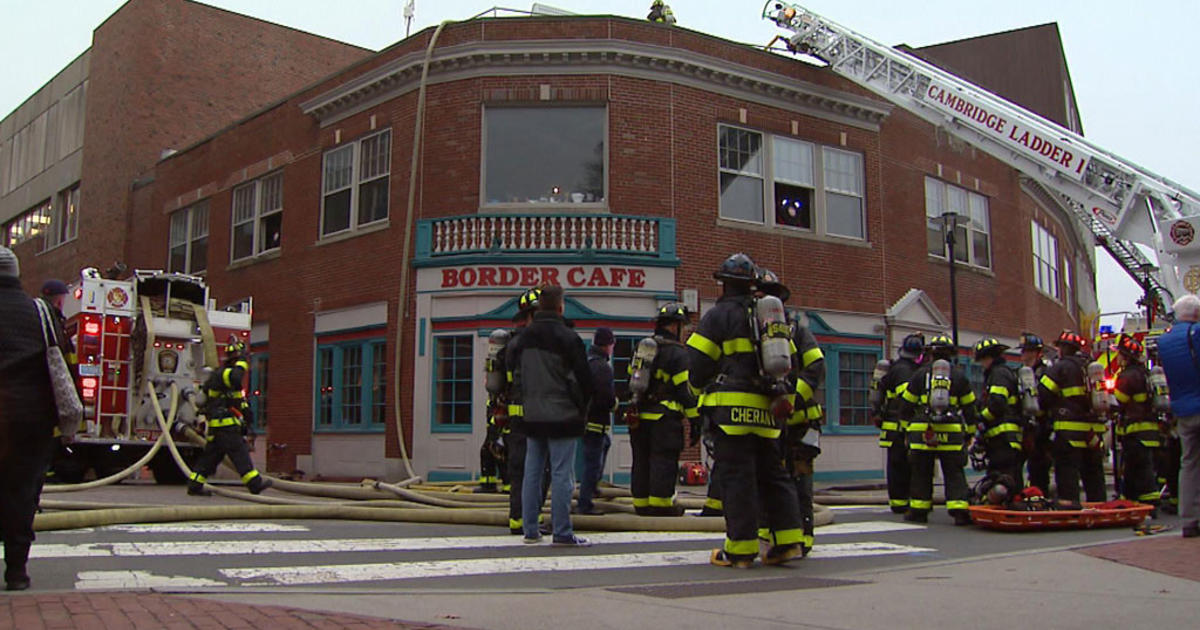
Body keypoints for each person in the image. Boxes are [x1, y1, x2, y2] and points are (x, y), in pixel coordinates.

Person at [688, 253, 804, 568]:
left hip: (731, 414)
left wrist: (696, 394)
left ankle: (739, 549)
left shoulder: (717, 316)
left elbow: (697, 366)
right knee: (774, 475)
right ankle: (788, 541)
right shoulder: (769, 317)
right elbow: (792, 363)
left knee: (738, 478)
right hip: (767, 412)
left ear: (724, 283)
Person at [507, 285, 594, 546]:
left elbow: (515, 375)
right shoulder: (567, 337)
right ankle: (562, 531)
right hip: (563, 416)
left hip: (531, 415)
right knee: (561, 475)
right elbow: (583, 380)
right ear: (560, 306)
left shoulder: (522, 339)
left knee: (531, 472)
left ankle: (530, 529)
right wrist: (581, 408)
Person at [0, 246, 65, 590]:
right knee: (22, 492)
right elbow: (61, 360)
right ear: (16, 274)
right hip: (31, 419)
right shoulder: (40, 313)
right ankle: (16, 571)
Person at [757, 268, 824, 555]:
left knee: (800, 480)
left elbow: (816, 367)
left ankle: (803, 538)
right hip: (773, 422)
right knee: (773, 478)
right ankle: (773, 534)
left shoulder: (797, 331)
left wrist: (792, 399)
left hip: (801, 424)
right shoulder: (754, 331)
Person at [899, 334, 977, 525]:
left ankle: (918, 511)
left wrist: (905, 431)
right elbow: (970, 408)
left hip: (922, 432)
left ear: (930, 354)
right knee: (954, 472)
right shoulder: (959, 376)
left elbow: (905, 405)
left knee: (921, 472)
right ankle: (959, 511)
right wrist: (970, 433)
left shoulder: (919, 374)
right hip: (951, 433)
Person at [628, 303, 696, 516]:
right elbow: (685, 391)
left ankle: (641, 503)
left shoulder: (643, 349)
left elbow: (629, 380)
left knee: (641, 460)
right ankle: (661, 505)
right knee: (663, 460)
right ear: (675, 326)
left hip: (640, 417)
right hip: (665, 420)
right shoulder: (677, 354)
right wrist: (696, 421)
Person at [187, 338, 273, 496]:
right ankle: (254, 484)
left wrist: (248, 421)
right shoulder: (224, 373)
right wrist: (242, 363)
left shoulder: (222, 378)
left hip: (218, 428)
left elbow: (238, 401)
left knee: (210, 458)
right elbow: (235, 378)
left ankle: (195, 484)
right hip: (226, 427)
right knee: (240, 454)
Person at [503, 287, 551, 535]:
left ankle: (518, 519)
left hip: (516, 418)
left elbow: (506, 383)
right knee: (538, 468)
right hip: (536, 415)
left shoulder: (512, 343)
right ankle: (531, 518)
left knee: (520, 469)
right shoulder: (538, 342)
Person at [1038, 330, 1106, 505]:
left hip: (1069, 433)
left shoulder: (1060, 367)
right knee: (1094, 473)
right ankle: (1099, 507)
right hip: (1093, 433)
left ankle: (1070, 507)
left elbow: (1043, 395)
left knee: (1067, 472)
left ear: (1062, 349)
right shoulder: (1091, 366)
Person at [1153, 294, 1200, 538]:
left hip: (1181, 409)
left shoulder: (1165, 341)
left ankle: (1190, 519)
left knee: (1189, 463)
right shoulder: (1197, 333)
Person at [874, 333, 924, 514]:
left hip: (892, 426)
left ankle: (900, 501)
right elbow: (907, 399)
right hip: (900, 427)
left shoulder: (897, 367)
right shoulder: (904, 371)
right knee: (902, 466)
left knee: (897, 466)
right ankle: (901, 502)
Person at [1111, 335, 1161, 508]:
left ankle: (1148, 503)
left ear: (1125, 357)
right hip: (1150, 430)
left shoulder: (1128, 376)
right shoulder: (1145, 373)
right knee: (1139, 469)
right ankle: (1132, 501)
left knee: (1139, 470)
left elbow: (1118, 401)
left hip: (1135, 432)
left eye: (1119, 355)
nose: (1117, 358)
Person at [972, 338, 1025, 491]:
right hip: (1002, 440)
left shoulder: (999, 374)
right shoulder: (999, 373)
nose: (982, 364)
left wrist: (981, 418)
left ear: (989, 357)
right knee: (1006, 480)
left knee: (1005, 481)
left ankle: (1012, 510)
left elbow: (997, 405)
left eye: (982, 360)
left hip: (1003, 440)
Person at [577, 327, 616, 515]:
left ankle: (592, 487)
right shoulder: (602, 367)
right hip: (596, 421)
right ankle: (585, 503)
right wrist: (614, 403)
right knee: (592, 463)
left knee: (605, 445)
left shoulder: (587, 362)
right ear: (608, 345)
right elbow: (605, 398)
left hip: (584, 420)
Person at [1019, 332, 1054, 493]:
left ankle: (1041, 499)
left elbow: (1048, 398)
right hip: (1028, 428)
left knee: (1040, 468)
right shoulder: (1023, 373)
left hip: (1043, 428)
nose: (1024, 355)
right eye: (1023, 351)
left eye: (1028, 351)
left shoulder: (1046, 373)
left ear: (1038, 353)